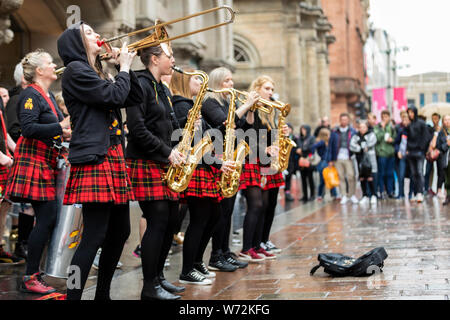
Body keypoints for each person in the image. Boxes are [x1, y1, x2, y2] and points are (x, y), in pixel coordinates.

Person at [58, 22, 143, 300]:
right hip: (95, 156)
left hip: (112, 153)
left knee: (120, 231)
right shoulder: (75, 70)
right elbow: (113, 95)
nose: (98, 35)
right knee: (93, 237)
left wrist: (122, 67)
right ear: (77, 43)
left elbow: (133, 97)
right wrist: (126, 70)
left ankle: (103, 295)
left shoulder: (98, 70)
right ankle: (73, 297)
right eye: (90, 33)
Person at [5, 49, 71, 293]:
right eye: (50, 63)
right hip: (34, 162)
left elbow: (50, 127)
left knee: (47, 218)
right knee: (46, 218)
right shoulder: (30, 94)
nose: (55, 66)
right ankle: (31, 277)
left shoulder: (48, 95)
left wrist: (63, 131)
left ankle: (34, 274)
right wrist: (60, 126)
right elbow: (29, 128)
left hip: (45, 162)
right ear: (39, 71)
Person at [169, 67, 238, 283]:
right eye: (196, 81)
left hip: (205, 166)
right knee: (199, 221)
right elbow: (186, 140)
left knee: (213, 216)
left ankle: (197, 262)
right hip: (196, 167)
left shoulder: (192, 105)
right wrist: (218, 163)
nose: (201, 85)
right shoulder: (181, 105)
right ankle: (187, 269)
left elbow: (206, 138)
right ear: (184, 81)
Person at [202, 67, 254, 269]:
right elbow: (224, 124)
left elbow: (243, 130)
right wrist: (245, 104)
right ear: (217, 83)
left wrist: (250, 110)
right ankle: (216, 255)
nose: (231, 84)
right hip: (217, 158)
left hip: (231, 157)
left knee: (229, 209)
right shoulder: (210, 102)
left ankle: (225, 251)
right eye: (227, 81)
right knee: (221, 211)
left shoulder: (227, 103)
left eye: (232, 80)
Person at [238, 75, 283, 262]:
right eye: (267, 89)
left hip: (264, 162)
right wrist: (263, 149)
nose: (270, 93)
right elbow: (245, 135)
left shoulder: (269, 112)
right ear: (257, 89)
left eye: (272, 89)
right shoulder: (252, 109)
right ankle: (246, 248)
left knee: (264, 205)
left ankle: (257, 245)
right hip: (251, 160)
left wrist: (276, 142)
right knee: (255, 205)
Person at [5, 63, 34, 261]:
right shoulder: (18, 99)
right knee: (24, 206)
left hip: (24, 155)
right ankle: (22, 244)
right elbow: (14, 130)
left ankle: (25, 243)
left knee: (29, 206)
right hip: (21, 157)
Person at [327, 113, 358, 204]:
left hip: (349, 157)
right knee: (341, 177)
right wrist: (330, 159)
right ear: (340, 120)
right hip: (338, 157)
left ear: (348, 120)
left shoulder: (352, 131)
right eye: (342, 119)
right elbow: (330, 146)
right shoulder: (334, 132)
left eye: (345, 119)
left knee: (351, 176)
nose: (344, 121)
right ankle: (343, 195)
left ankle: (351, 195)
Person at [405, 105, 431, 203]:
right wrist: (407, 149)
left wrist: (422, 148)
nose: (410, 114)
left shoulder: (421, 123)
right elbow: (407, 138)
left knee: (420, 172)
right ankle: (416, 193)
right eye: (409, 113)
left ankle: (420, 192)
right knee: (413, 173)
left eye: (412, 112)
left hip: (419, 152)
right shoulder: (409, 125)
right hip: (411, 153)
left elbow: (426, 137)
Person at [350, 121, 377, 205]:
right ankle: (365, 195)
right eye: (360, 127)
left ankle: (373, 195)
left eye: (364, 127)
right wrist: (361, 148)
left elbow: (371, 143)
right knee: (361, 178)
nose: (362, 129)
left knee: (370, 177)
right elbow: (352, 146)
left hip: (369, 160)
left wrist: (363, 146)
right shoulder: (355, 136)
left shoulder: (371, 135)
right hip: (359, 160)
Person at [374, 110, 397, 199]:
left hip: (390, 153)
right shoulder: (377, 127)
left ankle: (390, 191)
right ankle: (382, 191)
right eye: (383, 117)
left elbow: (396, 138)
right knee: (381, 173)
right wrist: (382, 130)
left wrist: (392, 140)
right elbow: (377, 138)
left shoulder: (391, 127)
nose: (384, 119)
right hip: (381, 153)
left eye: (386, 117)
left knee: (390, 173)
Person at [311, 128, 337, 201]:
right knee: (325, 179)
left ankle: (332, 194)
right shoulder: (322, 142)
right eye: (328, 135)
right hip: (323, 163)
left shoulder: (326, 142)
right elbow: (313, 147)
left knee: (328, 179)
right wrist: (313, 155)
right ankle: (320, 195)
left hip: (325, 162)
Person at [296, 125, 316, 202]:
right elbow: (297, 147)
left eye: (304, 129)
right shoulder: (300, 139)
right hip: (301, 160)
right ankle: (305, 195)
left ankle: (312, 195)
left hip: (308, 160)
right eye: (302, 130)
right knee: (303, 179)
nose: (303, 131)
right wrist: (298, 150)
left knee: (310, 179)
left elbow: (311, 148)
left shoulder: (311, 138)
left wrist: (303, 150)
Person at [394, 111, 410, 200]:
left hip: (411, 155)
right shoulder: (400, 130)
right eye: (404, 119)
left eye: (407, 119)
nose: (405, 121)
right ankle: (400, 194)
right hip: (401, 155)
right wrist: (398, 151)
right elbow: (396, 142)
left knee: (411, 175)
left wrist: (410, 150)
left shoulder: (412, 129)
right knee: (401, 175)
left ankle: (411, 193)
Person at [424, 113, 441, 196]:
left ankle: (438, 189)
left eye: (436, 118)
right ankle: (426, 188)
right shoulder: (429, 128)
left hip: (439, 152)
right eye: (433, 118)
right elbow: (427, 140)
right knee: (428, 171)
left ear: (439, 119)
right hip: (430, 153)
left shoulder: (442, 129)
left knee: (439, 172)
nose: (435, 120)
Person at [436, 115, 450, 204]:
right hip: (445, 159)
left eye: (449, 119)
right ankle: (447, 196)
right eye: (446, 120)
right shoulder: (441, 133)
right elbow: (439, 147)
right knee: (446, 178)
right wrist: (447, 144)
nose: (448, 121)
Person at [284, 123, 299, 201]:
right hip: (283, 159)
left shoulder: (295, 138)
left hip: (291, 160)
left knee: (289, 176)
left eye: (290, 128)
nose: (289, 130)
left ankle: (287, 192)